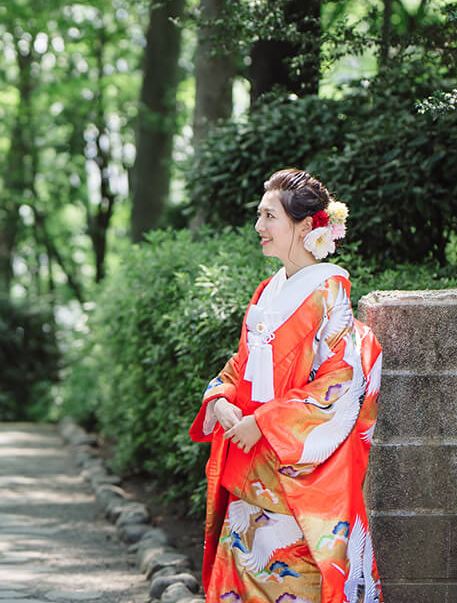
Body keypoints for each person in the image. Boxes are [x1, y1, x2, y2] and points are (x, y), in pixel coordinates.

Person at [189, 169, 383, 603]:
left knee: (298, 579)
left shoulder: (329, 292)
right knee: (243, 575)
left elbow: (340, 380)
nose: (259, 227)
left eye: (268, 216)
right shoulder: (267, 290)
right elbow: (241, 364)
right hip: (248, 465)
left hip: (292, 469)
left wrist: (265, 422)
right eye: (259, 215)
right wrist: (220, 400)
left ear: (303, 226)